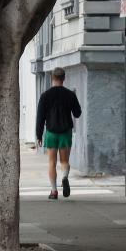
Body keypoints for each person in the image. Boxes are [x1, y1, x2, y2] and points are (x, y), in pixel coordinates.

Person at [35, 67, 83, 200]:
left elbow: (40, 117)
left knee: (51, 162)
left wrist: (39, 135)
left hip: (51, 133)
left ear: (52, 78)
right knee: (64, 161)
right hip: (65, 132)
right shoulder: (70, 95)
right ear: (64, 78)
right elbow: (77, 113)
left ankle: (54, 191)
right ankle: (65, 177)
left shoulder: (45, 96)